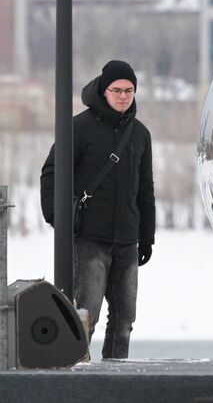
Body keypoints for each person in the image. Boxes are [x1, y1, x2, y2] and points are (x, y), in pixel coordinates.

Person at [39, 60, 155, 360]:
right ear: (104, 91)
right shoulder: (80, 127)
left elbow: (145, 190)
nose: (123, 96)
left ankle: (114, 382)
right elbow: (51, 172)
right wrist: (56, 217)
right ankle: (76, 379)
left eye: (129, 90)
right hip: (89, 237)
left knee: (124, 321)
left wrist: (147, 237)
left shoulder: (140, 134)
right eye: (117, 90)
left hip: (127, 240)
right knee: (83, 318)